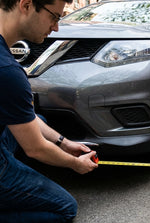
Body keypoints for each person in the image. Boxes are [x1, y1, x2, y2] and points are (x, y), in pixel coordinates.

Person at [0, 0, 98, 222]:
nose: (56, 27)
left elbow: (25, 117)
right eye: (54, 17)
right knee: (64, 208)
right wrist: (75, 163)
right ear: (25, 5)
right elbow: (35, 149)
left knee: (38, 120)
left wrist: (63, 142)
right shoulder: (7, 71)